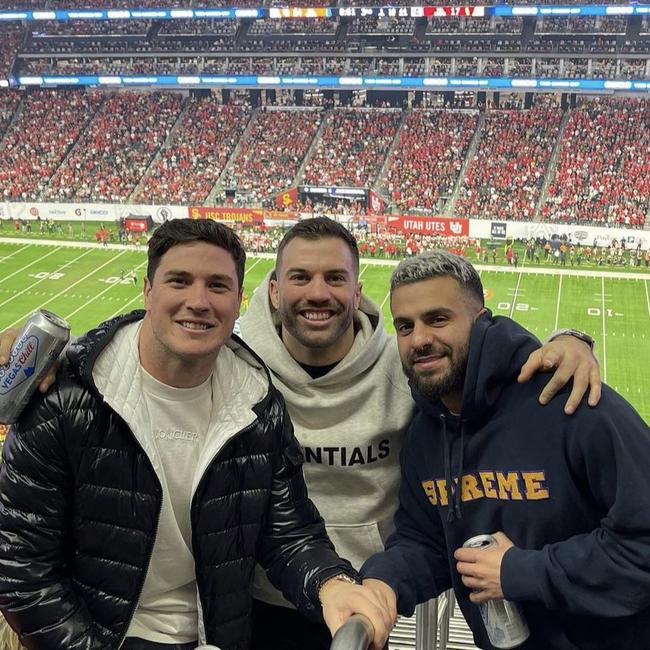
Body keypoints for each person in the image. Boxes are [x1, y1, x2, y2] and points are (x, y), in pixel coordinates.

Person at [0, 218, 601, 650]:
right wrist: (43, 351)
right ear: (270, 293)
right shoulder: (107, 389)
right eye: (179, 282)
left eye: (334, 278)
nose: (317, 293)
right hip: (219, 609)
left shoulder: (377, 371)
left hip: (347, 600)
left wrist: (570, 340)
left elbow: (476, 360)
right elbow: (20, 561)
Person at [0, 219, 393, 650]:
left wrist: (330, 583)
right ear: (148, 290)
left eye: (218, 286)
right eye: (179, 281)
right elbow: (21, 567)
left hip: (216, 635)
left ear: (240, 300)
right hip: (102, 636)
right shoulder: (66, 396)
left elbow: (287, 530)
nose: (199, 301)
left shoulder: (257, 402)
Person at [360, 251, 650, 649]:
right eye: (405, 326)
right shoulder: (427, 433)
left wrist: (521, 572)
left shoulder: (570, 400)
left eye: (438, 319)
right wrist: (381, 582)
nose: (420, 339)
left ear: (481, 322)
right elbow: (425, 541)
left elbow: (641, 545)